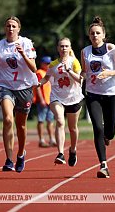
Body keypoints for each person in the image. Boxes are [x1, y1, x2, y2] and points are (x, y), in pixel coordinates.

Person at [0, 16, 37, 173]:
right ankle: (8, 159)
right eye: (8, 26)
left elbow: (33, 68)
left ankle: (21, 153)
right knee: (8, 119)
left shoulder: (26, 43)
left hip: (24, 86)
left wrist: (23, 55)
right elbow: (0, 63)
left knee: (21, 125)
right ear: (4, 28)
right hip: (5, 85)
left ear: (19, 29)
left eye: (14, 26)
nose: (11, 28)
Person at [81, 16, 115, 178]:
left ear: (103, 35)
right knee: (98, 128)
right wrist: (77, 76)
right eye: (92, 33)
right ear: (89, 36)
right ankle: (103, 165)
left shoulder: (112, 50)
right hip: (93, 94)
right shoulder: (85, 52)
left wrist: (110, 72)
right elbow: (84, 71)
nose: (95, 36)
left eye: (97, 33)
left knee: (110, 131)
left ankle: (108, 137)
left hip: (110, 93)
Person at [38, 38, 84, 166]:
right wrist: (38, 83)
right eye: (61, 46)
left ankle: (73, 149)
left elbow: (80, 79)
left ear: (70, 48)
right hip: (57, 97)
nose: (64, 48)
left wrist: (69, 70)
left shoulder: (74, 62)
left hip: (74, 98)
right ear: (58, 48)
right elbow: (47, 78)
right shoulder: (53, 64)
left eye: (66, 46)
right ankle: (60, 153)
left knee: (72, 128)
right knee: (59, 120)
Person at [33, 56, 56, 148]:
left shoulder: (50, 73)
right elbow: (37, 87)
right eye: (46, 63)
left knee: (50, 120)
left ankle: (52, 139)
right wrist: (41, 99)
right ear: (42, 64)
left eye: (49, 63)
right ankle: (41, 139)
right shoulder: (39, 73)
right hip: (43, 100)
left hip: (50, 99)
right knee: (41, 119)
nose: (48, 65)